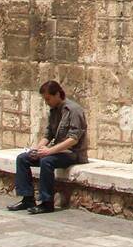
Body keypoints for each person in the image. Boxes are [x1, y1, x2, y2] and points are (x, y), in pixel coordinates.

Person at [8, 81, 88, 215]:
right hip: (56, 151)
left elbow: (73, 139)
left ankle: (47, 202)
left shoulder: (74, 110)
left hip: (72, 153)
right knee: (23, 159)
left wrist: (49, 151)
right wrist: (38, 149)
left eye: (48, 99)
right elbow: (49, 134)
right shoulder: (54, 111)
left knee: (47, 161)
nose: (46, 102)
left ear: (57, 94)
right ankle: (27, 198)